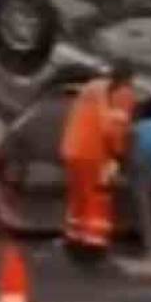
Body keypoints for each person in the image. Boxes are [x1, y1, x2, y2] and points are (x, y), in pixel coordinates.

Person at [60, 61, 137, 261]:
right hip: (96, 153)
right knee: (98, 200)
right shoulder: (123, 94)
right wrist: (119, 154)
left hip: (73, 148)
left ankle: (73, 240)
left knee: (79, 199)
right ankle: (93, 247)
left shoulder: (93, 87)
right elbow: (113, 129)